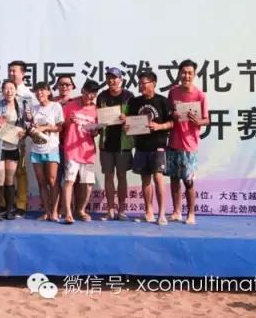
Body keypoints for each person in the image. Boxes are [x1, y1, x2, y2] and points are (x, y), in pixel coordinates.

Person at [126, 70, 173, 226]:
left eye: (143, 83)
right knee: (145, 179)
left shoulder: (163, 101)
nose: (140, 86)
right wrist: (128, 127)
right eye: (139, 83)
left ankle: (162, 213)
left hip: (158, 145)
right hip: (141, 146)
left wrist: (159, 126)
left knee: (158, 177)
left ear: (153, 84)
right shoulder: (134, 102)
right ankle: (149, 211)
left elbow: (172, 123)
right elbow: (131, 122)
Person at [167, 59, 210, 225]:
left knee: (188, 181)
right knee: (174, 179)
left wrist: (198, 122)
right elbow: (168, 112)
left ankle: (191, 213)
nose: (186, 76)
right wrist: (173, 115)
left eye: (190, 73)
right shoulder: (173, 92)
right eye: (184, 73)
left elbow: (206, 120)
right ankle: (176, 211)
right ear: (179, 74)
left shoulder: (200, 95)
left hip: (189, 144)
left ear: (195, 75)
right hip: (173, 141)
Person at [0, 60, 33, 217]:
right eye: (10, 70)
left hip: (18, 139)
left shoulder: (27, 94)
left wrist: (25, 131)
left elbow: (30, 118)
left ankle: (21, 204)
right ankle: (3, 204)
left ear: (23, 73)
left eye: (14, 71)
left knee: (20, 171)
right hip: (2, 140)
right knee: (1, 172)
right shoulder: (1, 92)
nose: (11, 73)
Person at [97, 67, 134, 221]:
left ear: (121, 80)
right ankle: (110, 209)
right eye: (109, 78)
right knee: (108, 176)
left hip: (123, 143)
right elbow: (97, 118)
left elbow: (137, 118)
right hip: (106, 142)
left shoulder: (129, 96)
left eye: (115, 77)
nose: (112, 80)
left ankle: (122, 209)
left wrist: (128, 119)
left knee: (122, 176)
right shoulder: (102, 96)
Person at [62, 80, 100, 223]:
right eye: (88, 93)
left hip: (88, 152)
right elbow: (61, 126)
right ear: (82, 90)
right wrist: (69, 122)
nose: (90, 96)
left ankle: (81, 210)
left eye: (93, 94)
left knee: (88, 183)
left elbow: (95, 132)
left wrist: (95, 131)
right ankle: (68, 213)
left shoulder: (96, 110)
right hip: (71, 150)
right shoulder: (70, 105)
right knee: (69, 180)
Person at [0, 80, 26, 221]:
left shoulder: (21, 106)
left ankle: (9, 211)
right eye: (6, 89)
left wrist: (22, 133)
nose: (9, 91)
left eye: (12, 88)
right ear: (2, 91)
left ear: (16, 90)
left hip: (13, 146)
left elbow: (24, 126)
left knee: (10, 180)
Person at [29, 82, 64, 222]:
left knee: (52, 180)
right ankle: (47, 212)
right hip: (36, 149)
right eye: (37, 91)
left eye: (42, 90)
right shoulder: (33, 108)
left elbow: (60, 127)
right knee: (41, 182)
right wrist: (31, 130)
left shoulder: (56, 106)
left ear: (49, 92)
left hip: (51, 148)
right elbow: (30, 128)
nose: (39, 93)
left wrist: (45, 128)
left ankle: (55, 212)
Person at [53, 75, 76, 217]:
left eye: (68, 84)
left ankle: (71, 209)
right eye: (61, 84)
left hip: (72, 146)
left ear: (72, 87)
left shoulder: (77, 102)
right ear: (57, 86)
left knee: (71, 179)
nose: (64, 87)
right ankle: (55, 209)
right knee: (55, 179)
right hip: (53, 145)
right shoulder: (51, 102)